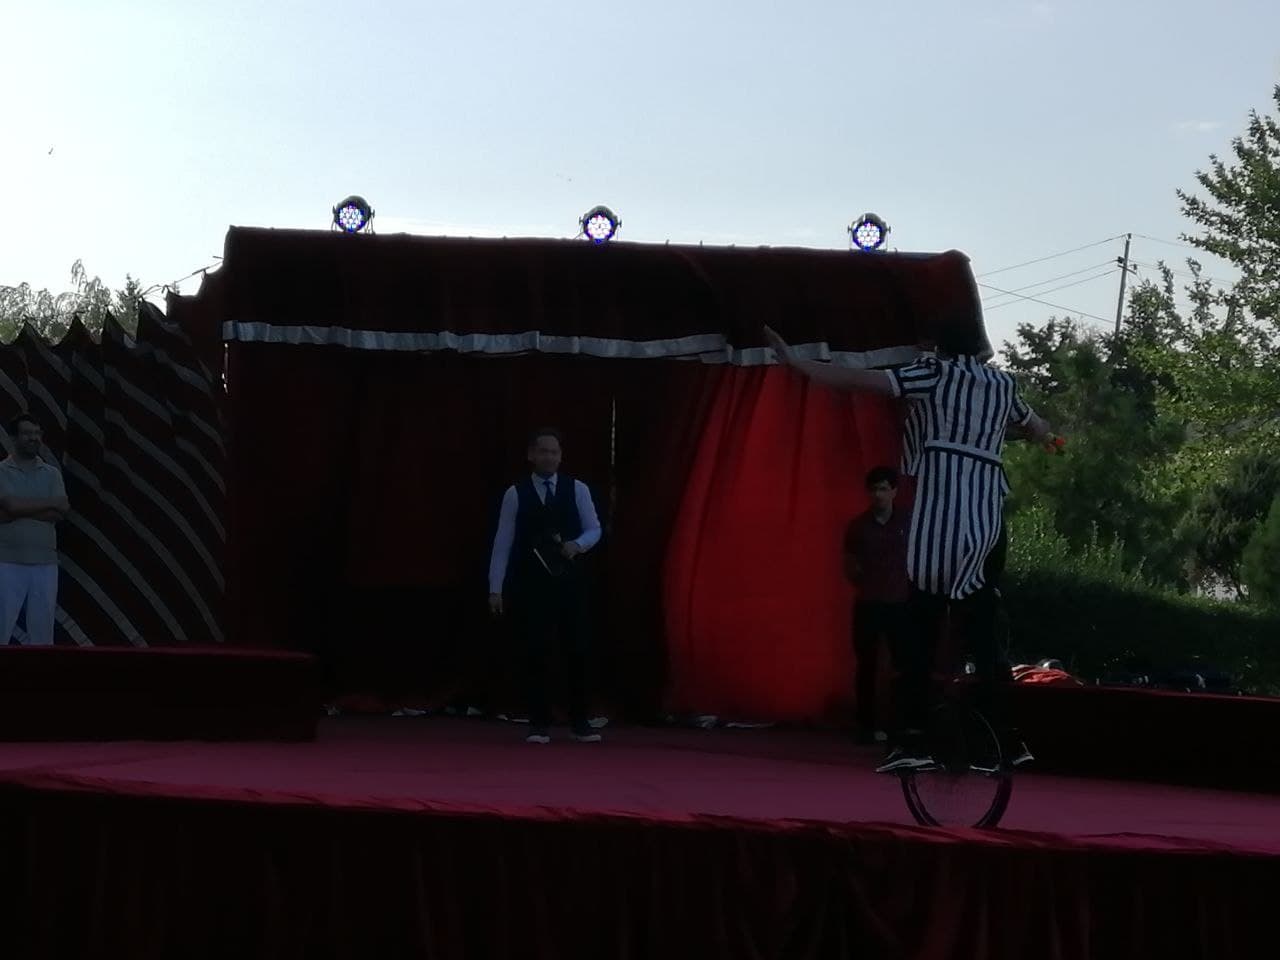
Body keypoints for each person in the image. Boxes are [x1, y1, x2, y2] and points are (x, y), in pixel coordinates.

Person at [763, 325, 1054, 772]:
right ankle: (1005, 740)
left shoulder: (933, 373)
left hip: (943, 519)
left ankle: (913, 740)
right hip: (986, 523)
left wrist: (799, 364)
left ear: (941, 347)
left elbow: (861, 381)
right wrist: (1041, 437)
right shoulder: (1003, 385)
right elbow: (1036, 428)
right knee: (984, 637)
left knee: (919, 634)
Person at [488, 428, 603, 744]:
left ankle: (580, 722)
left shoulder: (577, 489)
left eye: (554, 452)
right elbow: (503, 542)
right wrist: (495, 588)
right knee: (536, 651)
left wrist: (578, 545)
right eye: (543, 451)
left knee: (576, 650)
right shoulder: (516, 493)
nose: (549, 457)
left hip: (571, 583)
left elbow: (594, 529)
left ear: (561, 456)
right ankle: (539, 723)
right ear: (531, 455)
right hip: (532, 585)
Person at [844, 465, 910, 746]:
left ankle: (903, 726)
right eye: (874, 489)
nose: (878, 495)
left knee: (903, 666)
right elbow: (850, 564)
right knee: (866, 666)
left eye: (883, 489)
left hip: (900, 604)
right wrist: (864, 580)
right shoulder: (858, 527)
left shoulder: (908, 523)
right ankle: (866, 725)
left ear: (894, 491)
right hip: (868, 604)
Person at [0, 414, 70, 646]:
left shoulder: (52, 473)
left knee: (42, 634)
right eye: (27, 433)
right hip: (7, 561)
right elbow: (9, 507)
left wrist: (17, 510)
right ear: (13, 438)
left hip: (45, 563)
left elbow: (61, 510)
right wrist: (48, 504)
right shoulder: (1, 471)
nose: (34, 438)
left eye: (37, 433)